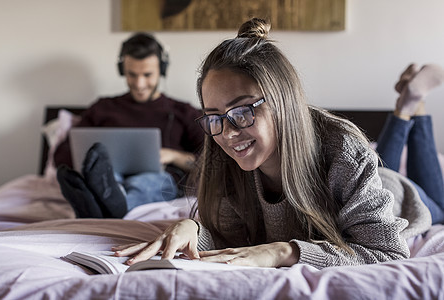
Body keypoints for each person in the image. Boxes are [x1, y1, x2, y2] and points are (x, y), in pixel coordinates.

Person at [113, 18, 432, 270]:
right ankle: (409, 107)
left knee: (415, 176)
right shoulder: (225, 156)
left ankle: (411, 109)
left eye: (242, 111)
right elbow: (231, 236)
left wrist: (284, 251)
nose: (227, 132)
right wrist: (192, 229)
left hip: (403, 197)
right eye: (214, 117)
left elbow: (386, 252)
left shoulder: (344, 152)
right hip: (364, 177)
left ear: (284, 102)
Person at [55, 33, 204, 219]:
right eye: (132, 75)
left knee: (147, 184)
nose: (139, 84)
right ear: (122, 70)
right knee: (107, 180)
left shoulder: (183, 112)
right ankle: (104, 195)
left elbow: (210, 160)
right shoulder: (103, 108)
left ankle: (97, 205)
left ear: (162, 69)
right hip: (111, 175)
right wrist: (92, 159)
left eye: (147, 75)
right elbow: (61, 154)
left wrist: (173, 156)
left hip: (158, 178)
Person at [376, 63, 444, 224]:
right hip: (393, 198)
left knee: (379, 178)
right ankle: (410, 106)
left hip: (379, 191)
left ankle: (409, 105)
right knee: (440, 213)